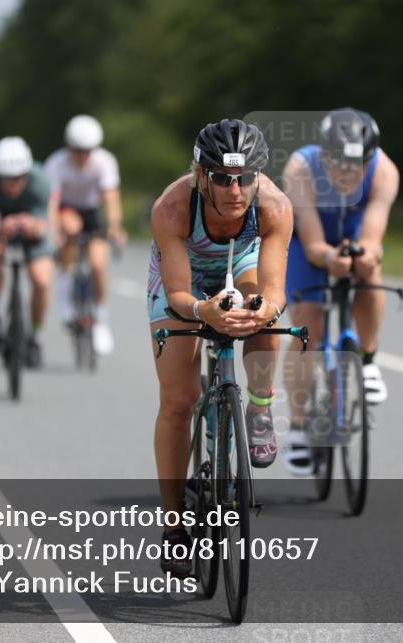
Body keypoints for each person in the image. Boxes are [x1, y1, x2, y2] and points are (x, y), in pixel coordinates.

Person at [147, 119, 292, 576]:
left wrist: (260, 310)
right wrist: (204, 312)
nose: (236, 189)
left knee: (261, 311)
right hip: (184, 276)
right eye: (224, 178)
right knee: (177, 401)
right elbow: (177, 297)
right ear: (200, 175)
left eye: (246, 177)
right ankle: (173, 528)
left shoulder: (273, 206)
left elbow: (275, 289)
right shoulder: (172, 207)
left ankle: (260, 407)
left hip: (242, 260)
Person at [281, 108, 400, 475]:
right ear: (324, 154)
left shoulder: (384, 171)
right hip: (307, 242)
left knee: (370, 268)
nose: (348, 171)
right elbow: (313, 238)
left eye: (357, 163)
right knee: (308, 328)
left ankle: (368, 359)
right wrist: (329, 257)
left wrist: (364, 253)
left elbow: (374, 232)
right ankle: (300, 428)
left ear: (369, 159)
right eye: (339, 162)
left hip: (353, 229)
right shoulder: (300, 169)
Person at [45, 115, 127, 354]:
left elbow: (111, 197)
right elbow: (52, 203)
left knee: (99, 264)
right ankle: (65, 299)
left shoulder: (104, 161)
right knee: (70, 229)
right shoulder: (56, 163)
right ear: (68, 146)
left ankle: (100, 318)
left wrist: (115, 226)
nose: (83, 156)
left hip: (91, 211)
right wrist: (55, 233)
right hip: (67, 209)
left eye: (88, 151)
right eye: (77, 150)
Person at [0, 137, 55, 368]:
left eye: (18, 178)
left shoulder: (41, 182)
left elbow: (42, 227)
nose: (12, 185)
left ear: (27, 174)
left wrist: (30, 225)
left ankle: (36, 336)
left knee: (41, 279)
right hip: (0, 224)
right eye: (6, 180)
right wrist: (1, 228)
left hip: (31, 227)